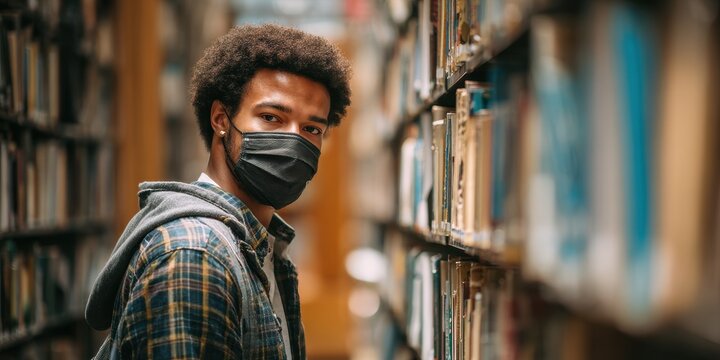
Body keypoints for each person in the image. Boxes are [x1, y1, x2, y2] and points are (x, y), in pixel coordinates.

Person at [85, 24, 351, 359]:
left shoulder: (263, 248)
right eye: (271, 117)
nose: (294, 140)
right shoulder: (194, 255)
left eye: (312, 128)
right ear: (221, 119)